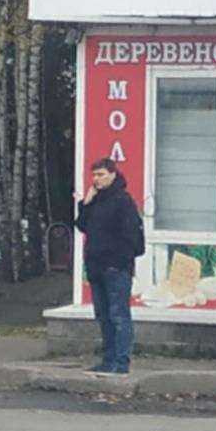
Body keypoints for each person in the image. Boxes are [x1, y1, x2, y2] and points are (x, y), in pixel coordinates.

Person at [74, 158, 144, 375]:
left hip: (115, 267)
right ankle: (108, 359)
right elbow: (82, 226)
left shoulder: (123, 201)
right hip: (96, 266)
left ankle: (121, 362)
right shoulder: (96, 200)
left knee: (118, 315)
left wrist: (119, 260)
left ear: (113, 174)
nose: (97, 179)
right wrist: (85, 203)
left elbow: (133, 237)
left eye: (101, 174)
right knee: (103, 316)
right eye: (94, 175)